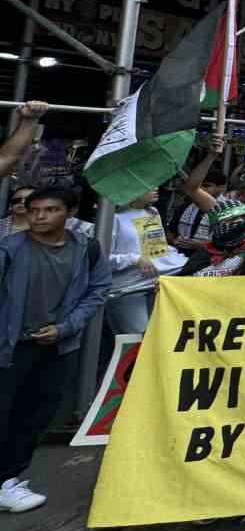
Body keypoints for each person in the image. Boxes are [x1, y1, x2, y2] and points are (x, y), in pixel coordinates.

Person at [0, 186, 111, 513]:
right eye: (34, 210)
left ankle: (8, 479)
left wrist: (66, 328)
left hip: (56, 348)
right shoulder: (10, 249)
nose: (39, 217)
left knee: (36, 416)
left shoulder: (86, 249)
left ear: (70, 213)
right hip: (10, 348)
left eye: (50, 210)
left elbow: (98, 291)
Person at [106, 188, 187, 333]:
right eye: (148, 186)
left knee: (157, 337)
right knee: (137, 341)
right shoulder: (113, 218)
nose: (155, 188)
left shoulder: (153, 212)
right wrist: (135, 259)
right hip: (127, 290)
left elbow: (157, 249)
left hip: (156, 285)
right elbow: (103, 258)